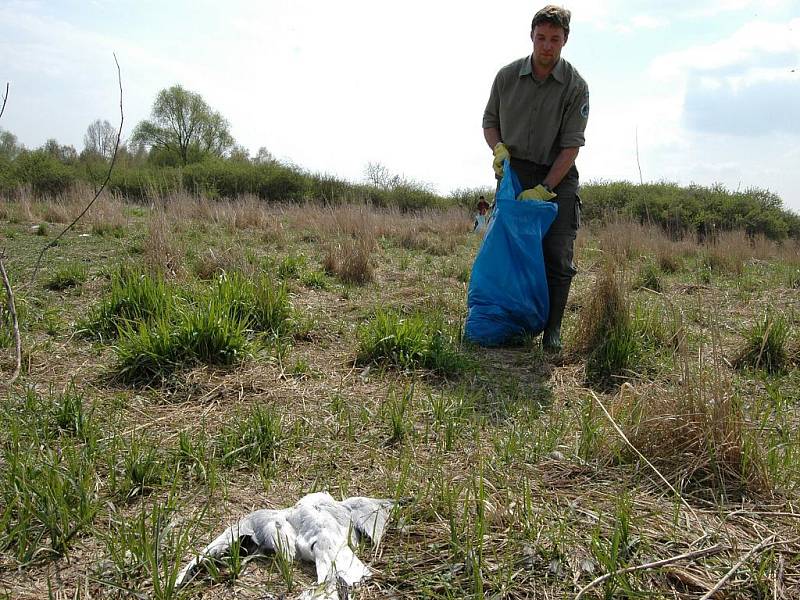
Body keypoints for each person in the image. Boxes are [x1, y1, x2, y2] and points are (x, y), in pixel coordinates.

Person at [482, 5, 589, 353]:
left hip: (556, 173)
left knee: (556, 254)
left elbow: (571, 147)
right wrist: (498, 149)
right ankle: (510, 323)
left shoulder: (576, 87)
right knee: (508, 251)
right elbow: (489, 122)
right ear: (531, 37)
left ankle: (552, 330)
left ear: (565, 41)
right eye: (541, 38)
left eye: (554, 40)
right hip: (514, 172)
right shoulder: (506, 77)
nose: (547, 46)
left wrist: (546, 189)